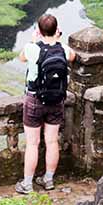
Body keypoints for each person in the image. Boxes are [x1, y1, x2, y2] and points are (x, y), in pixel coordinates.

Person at [15, 13, 76, 194]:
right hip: (57, 101)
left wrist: (34, 40)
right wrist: (57, 39)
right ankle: (48, 180)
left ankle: (27, 184)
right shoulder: (63, 49)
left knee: (33, 143)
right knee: (51, 141)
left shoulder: (33, 48)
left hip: (34, 100)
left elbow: (21, 58)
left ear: (40, 31)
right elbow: (72, 57)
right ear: (57, 30)